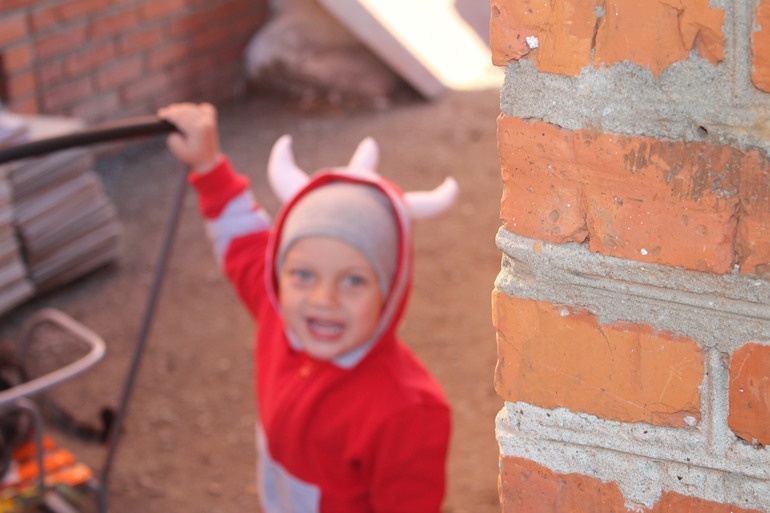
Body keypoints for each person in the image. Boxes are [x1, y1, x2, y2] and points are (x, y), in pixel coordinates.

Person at [158, 102, 457, 513]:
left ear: (390, 291)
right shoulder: (278, 312)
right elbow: (244, 241)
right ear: (278, 273)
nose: (323, 300)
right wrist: (208, 165)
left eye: (353, 280)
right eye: (302, 274)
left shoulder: (408, 412)